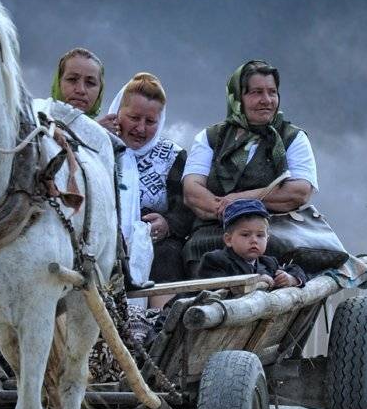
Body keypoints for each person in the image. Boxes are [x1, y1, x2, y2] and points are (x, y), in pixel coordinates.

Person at [182, 59, 318, 274]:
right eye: (256, 92)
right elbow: (192, 190)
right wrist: (228, 213)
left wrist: (240, 201)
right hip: (213, 235)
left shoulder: (293, 137)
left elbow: (299, 192)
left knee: (284, 263)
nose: (266, 100)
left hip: (273, 233)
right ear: (237, 97)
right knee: (202, 253)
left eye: (272, 92)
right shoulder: (210, 138)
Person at [105, 73, 193, 302]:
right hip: (103, 239)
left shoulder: (172, 156)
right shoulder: (98, 147)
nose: (141, 129)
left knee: (168, 254)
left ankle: (157, 327)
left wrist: (168, 224)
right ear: (117, 113)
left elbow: (186, 207)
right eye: (134, 118)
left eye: (150, 121)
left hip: (157, 246)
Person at [198, 200, 308, 288]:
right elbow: (217, 288)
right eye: (245, 235)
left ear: (267, 239)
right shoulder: (215, 260)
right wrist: (254, 282)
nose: (254, 240)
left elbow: (297, 270)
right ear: (228, 240)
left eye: (260, 235)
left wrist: (291, 279)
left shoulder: (269, 263)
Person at [50, 47, 105, 117]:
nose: (81, 90)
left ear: (100, 91)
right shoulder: (34, 122)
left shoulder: (104, 128)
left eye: (90, 82)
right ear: (58, 84)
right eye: (72, 79)